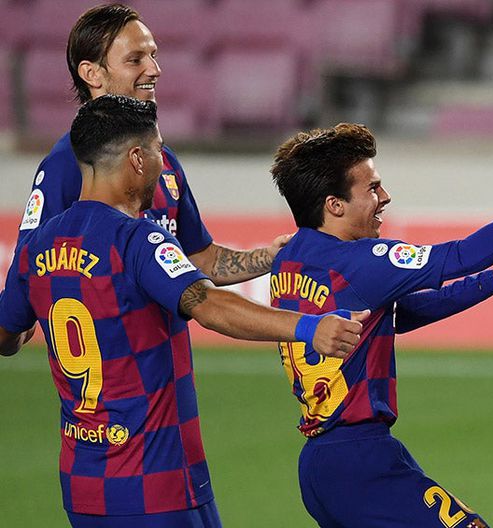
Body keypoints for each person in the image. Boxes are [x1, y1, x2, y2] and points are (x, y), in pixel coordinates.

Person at [0, 95, 366, 528]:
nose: (163, 163)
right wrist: (309, 328)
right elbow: (208, 305)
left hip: (83, 486)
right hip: (156, 483)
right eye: (158, 150)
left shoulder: (37, 246)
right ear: (137, 159)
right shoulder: (138, 240)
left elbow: (7, 336)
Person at [269, 122, 493, 527]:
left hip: (320, 465)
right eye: (372, 188)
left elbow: (398, 314)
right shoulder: (360, 260)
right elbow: (462, 255)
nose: (385, 197)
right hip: (360, 460)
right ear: (335, 205)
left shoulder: (291, 260)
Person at [16, 3, 283, 284]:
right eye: (135, 60)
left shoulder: (163, 159)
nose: (155, 70)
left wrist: (270, 256)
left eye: (153, 56)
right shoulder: (67, 162)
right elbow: (27, 269)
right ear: (91, 73)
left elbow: (200, 259)